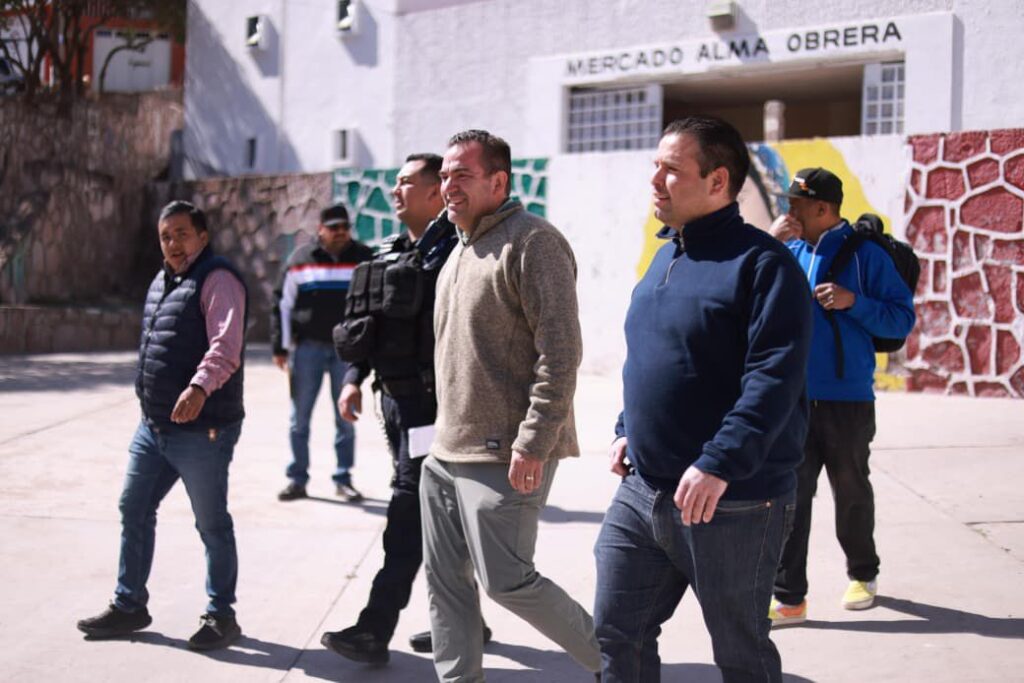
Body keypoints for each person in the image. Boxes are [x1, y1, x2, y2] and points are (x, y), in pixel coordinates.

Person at [593, 116, 813, 682]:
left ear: (717, 181)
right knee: (616, 635)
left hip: (733, 501)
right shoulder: (667, 255)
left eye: (671, 169)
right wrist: (627, 427)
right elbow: (653, 354)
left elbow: (774, 378)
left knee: (741, 654)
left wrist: (719, 462)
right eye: (655, 166)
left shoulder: (764, 266)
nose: (655, 180)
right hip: (642, 492)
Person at [420, 129, 602, 681]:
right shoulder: (458, 248)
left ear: (498, 182)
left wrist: (534, 442)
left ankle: (618, 661)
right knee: (446, 582)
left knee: (508, 581)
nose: (448, 186)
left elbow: (561, 352)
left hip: (505, 451)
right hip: (445, 451)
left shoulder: (534, 242)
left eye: (462, 175)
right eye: (444, 175)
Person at [320, 153, 492, 663]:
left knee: (407, 514)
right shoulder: (389, 252)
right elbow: (370, 324)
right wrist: (353, 380)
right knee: (438, 516)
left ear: (435, 192)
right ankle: (468, 622)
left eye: (405, 183)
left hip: (433, 410)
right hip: (393, 405)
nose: (394, 192)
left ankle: (374, 630)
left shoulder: (458, 254)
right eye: (394, 184)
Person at [77, 200, 248, 650]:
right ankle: (129, 604)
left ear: (203, 237)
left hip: (203, 430)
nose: (173, 243)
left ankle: (221, 615)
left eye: (182, 234)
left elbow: (226, 346)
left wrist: (199, 388)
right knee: (133, 508)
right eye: (166, 236)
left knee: (211, 524)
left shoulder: (218, 279)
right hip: (154, 427)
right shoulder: (162, 281)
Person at [767, 168, 915, 625]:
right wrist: (770, 245)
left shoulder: (866, 255)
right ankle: (790, 597)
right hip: (794, 398)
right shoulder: (788, 250)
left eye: (796, 204)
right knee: (791, 497)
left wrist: (855, 302)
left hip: (848, 398)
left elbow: (900, 319)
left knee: (851, 490)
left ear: (822, 208)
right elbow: (751, 301)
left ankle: (863, 574)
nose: (789, 211)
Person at [271, 203, 374, 502]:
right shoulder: (300, 260)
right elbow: (282, 304)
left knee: (346, 417)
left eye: (345, 227)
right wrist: (280, 347)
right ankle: (297, 479)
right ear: (320, 230)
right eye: (334, 228)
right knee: (299, 418)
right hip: (307, 350)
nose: (341, 232)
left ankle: (343, 478)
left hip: (347, 352)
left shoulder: (364, 259)